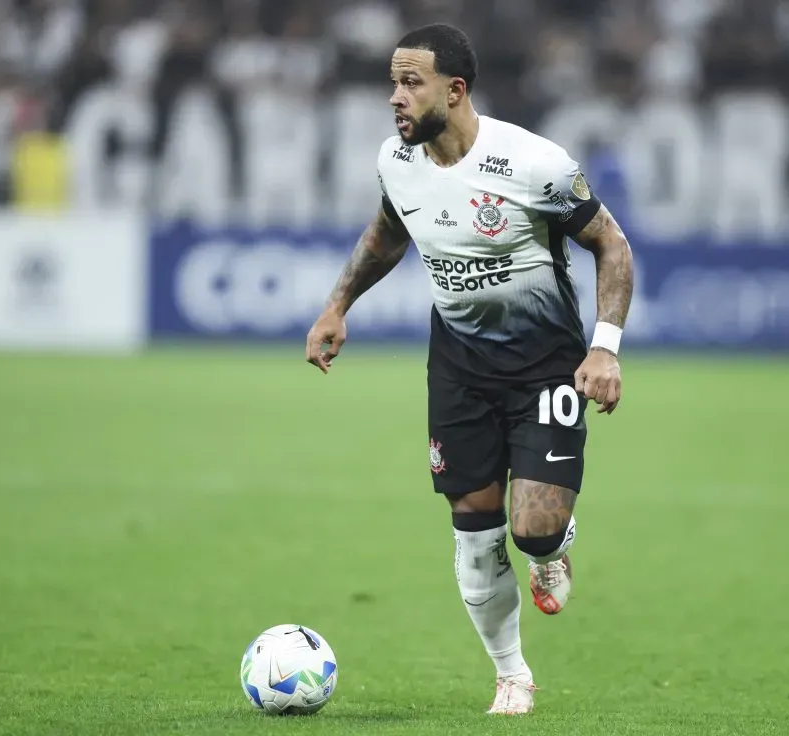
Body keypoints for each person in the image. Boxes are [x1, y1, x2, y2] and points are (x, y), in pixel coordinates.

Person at [305, 23, 634, 715]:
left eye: (411, 83)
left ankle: (552, 547)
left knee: (533, 528)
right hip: (459, 367)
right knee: (475, 531)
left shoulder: (535, 164)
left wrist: (604, 346)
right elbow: (388, 232)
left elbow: (612, 245)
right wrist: (337, 306)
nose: (395, 97)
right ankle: (512, 675)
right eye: (393, 83)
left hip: (546, 366)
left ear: (454, 90)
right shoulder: (398, 161)